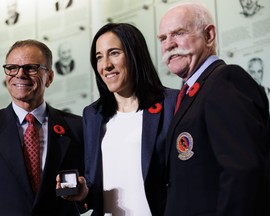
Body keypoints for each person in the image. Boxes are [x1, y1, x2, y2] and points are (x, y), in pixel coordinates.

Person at [158, 2, 270, 215]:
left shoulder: (225, 81)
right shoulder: (191, 92)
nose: (168, 45)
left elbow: (242, 173)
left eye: (178, 33)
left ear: (209, 35)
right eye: (163, 38)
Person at [57, 23, 179, 216]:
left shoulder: (172, 104)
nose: (105, 65)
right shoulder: (93, 115)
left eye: (114, 53)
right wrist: (84, 191)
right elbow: (94, 183)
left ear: (134, 54)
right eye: (99, 57)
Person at [0, 39, 84, 215]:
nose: (20, 74)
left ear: (50, 77)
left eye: (31, 68)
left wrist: (84, 196)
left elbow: (94, 187)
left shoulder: (78, 127)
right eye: (12, 67)